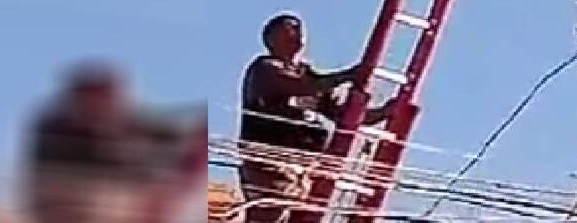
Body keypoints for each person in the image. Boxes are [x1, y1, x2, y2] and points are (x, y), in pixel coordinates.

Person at [238, 13, 397, 222]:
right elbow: (303, 86)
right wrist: (348, 75)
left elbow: (341, 113)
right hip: (269, 164)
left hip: (302, 168)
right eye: (289, 30)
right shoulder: (265, 69)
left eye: (298, 29)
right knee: (270, 213)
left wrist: (384, 112)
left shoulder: (306, 73)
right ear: (271, 40)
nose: (297, 34)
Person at [22, 62, 205, 223]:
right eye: (87, 106)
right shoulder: (55, 133)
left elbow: (197, 135)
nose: (94, 113)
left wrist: (172, 192)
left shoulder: (141, 129)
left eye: (100, 104)